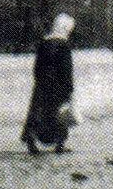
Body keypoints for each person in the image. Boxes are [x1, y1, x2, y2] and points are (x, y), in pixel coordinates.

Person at [22, 13, 76, 155]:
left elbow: (37, 67)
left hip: (42, 85)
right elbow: (66, 70)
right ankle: (59, 144)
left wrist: (40, 81)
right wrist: (69, 88)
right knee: (59, 114)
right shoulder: (63, 46)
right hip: (58, 87)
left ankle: (31, 141)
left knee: (37, 113)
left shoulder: (44, 43)